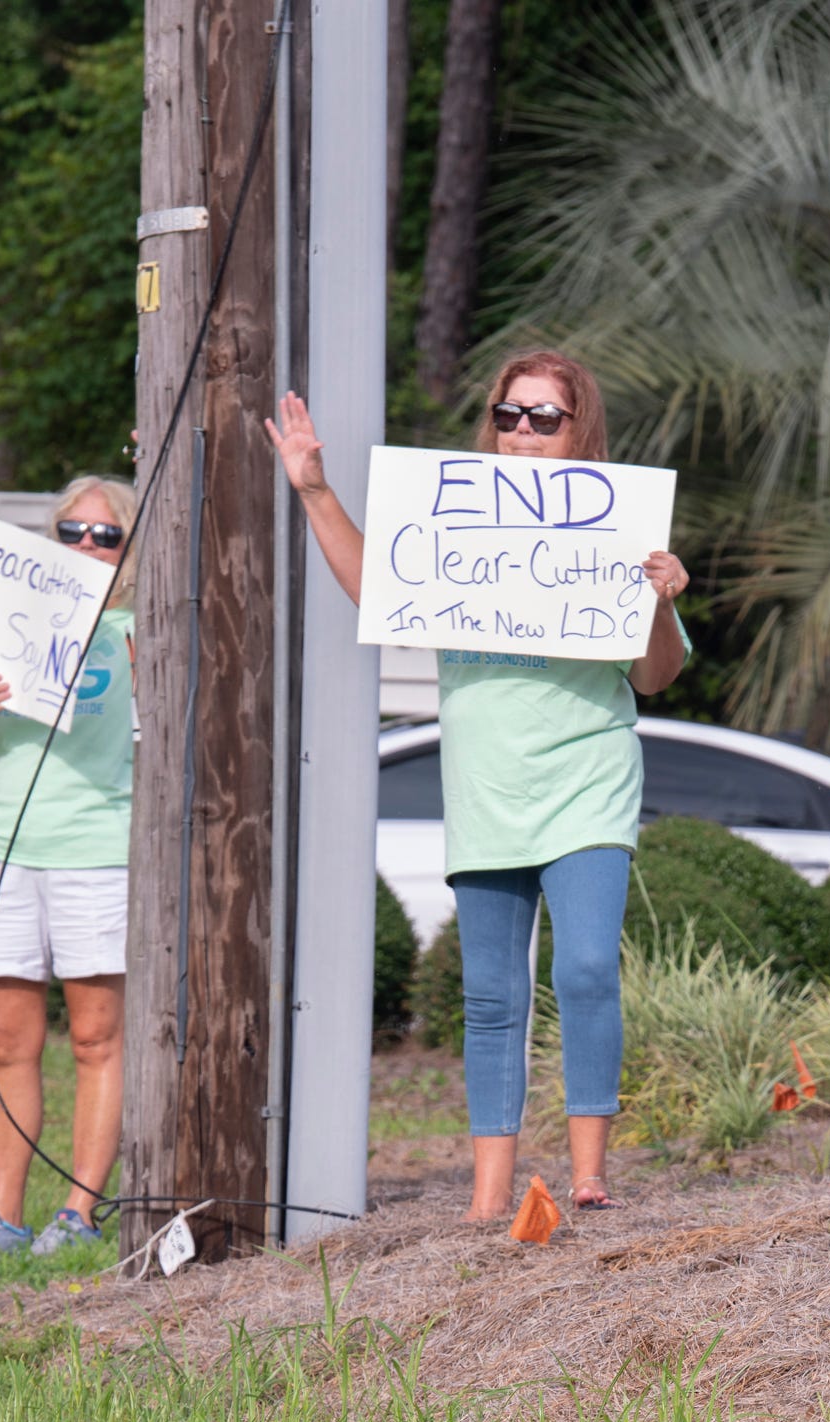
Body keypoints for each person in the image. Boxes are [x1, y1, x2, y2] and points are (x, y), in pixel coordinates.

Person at [266, 352, 690, 1220]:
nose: (524, 432)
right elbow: (371, 587)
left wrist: (660, 600)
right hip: (486, 791)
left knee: (582, 971)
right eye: (509, 415)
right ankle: (486, 1198)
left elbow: (654, 677)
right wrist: (313, 489)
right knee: (491, 996)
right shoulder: (456, 527)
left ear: (582, 433)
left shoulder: (619, 532)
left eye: (546, 417)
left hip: (588, 786)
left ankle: (589, 1177)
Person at [0, 475, 136, 1257]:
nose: (86, 546)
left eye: (105, 535)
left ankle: (79, 1215)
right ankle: (0, 1217)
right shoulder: (3, 624)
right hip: (3, 846)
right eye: (71, 531)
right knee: (6, 1042)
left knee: (95, 1039)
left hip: (97, 851)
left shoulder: (137, 632)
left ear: (128, 550)